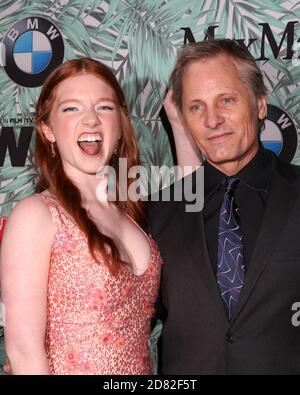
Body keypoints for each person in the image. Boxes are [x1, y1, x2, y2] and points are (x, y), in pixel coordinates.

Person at [147, 38, 300, 375]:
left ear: (260, 104)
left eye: (226, 100)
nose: (212, 120)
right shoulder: (158, 212)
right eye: (196, 107)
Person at [0, 58, 162, 375]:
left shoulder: (129, 215)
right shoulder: (36, 216)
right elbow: (24, 355)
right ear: (47, 130)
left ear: (120, 127)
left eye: (104, 107)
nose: (90, 121)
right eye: (71, 109)